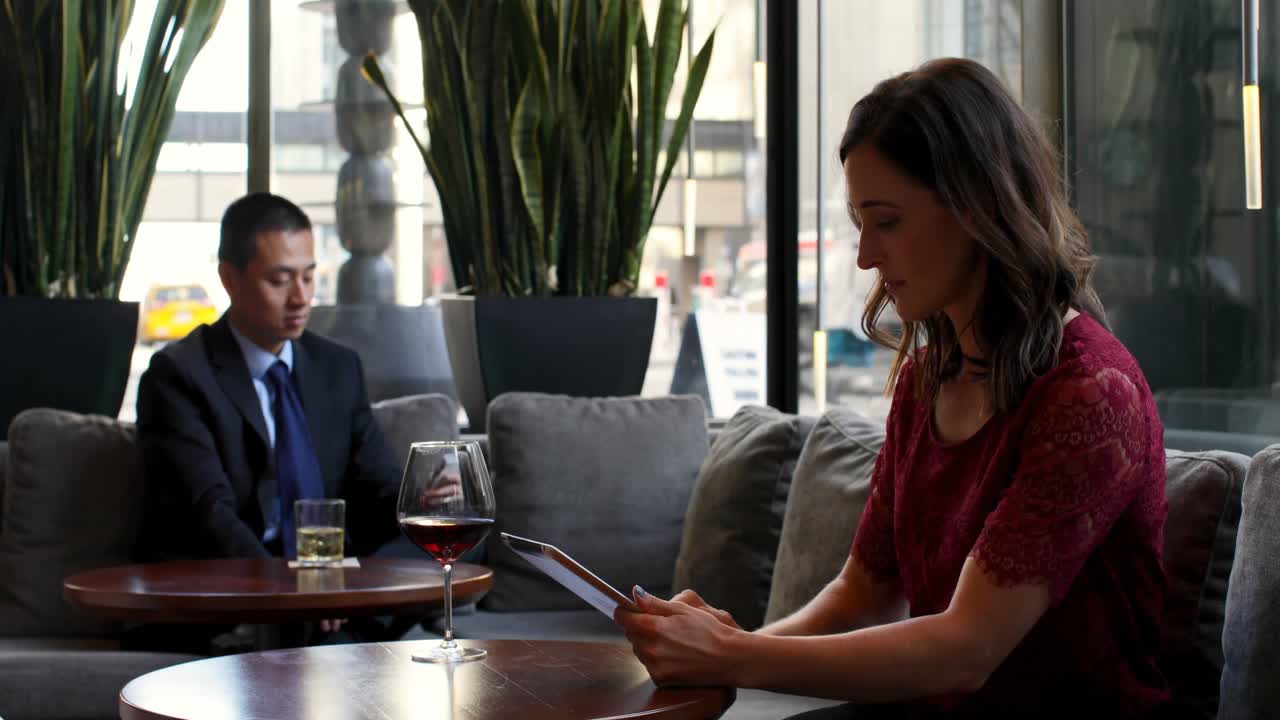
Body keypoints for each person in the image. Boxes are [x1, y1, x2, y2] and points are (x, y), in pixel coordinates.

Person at [615, 58, 1171, 718]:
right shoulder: (927, 377)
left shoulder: (1091, 395)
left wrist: (732, 656)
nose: (865, 257)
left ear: (977, 210)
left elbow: (967, 650)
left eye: (887, 221)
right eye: (859, 223)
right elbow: (863, 591)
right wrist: (721, 651)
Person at [133, 193, 405, 647]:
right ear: (229, 279)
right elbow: (210, 517)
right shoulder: (178, 376)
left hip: (330, 581)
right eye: (279, 280)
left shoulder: (337, 367)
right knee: (329, 641)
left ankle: (349, 619)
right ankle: (345, 626)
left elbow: (379, 488)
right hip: (233, 588)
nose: (300, 297)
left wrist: (420, 505)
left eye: (309, 275)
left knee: (455, 542)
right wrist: (297, 594)